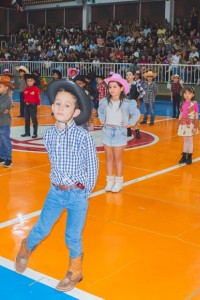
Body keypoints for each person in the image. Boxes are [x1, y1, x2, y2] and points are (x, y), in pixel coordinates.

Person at [14, 79, 99, 292]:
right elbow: (54, 159)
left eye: (67, 105)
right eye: (58, 104)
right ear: (52, 108)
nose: (61, 108)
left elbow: (93, 165)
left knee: (72, 235)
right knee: (42, 227)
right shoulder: (49, 135)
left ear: (76, 111)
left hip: (78, 194)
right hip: (56, 192)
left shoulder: (83, 136)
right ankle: (26, 247)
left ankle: (75, 271)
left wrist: (84, 191)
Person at [98, 73, 140, 193]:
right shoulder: (104, 102)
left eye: (115, 87)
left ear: (122, 88)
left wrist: (129, 123)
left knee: (117, 158)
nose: (112, 89)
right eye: (110, 87)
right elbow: (100, 111)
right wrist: (102, 120)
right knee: (108, 157)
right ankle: (109, 181)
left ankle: (119, 182)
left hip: (119, 133)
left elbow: (136, 114)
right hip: (107, 131)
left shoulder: (128, 102)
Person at [178, 87, 199, 165]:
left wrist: (195, 127)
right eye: (185, 93)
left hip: (191, 124)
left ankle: (189, 156)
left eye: (189, 93)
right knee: (185, 141)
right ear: (183, 94)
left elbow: (196, 116)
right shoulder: (182, 103)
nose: (187, 95)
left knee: (190, 141)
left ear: (193, 95)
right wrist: (179, 124)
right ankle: (184, 156)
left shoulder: (195, 103)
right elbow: (180, 114)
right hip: (183, 124)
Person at [0, 75, 15, 168]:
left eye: (0, 86)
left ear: (5, 88)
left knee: (5, 140)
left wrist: (3, 109)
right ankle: (2, 157)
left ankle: (8, 159)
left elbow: (1, 109)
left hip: (4, 123)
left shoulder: (7, 98)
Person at [126, 70, 145, 138]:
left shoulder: (136, 84)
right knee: (126, 116)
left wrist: (138, 97)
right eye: (127, 75)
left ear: (133, 76)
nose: (128, 76)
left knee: (134, 116)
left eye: (130, 74)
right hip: (125, 103)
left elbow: (143, 92)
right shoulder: (124, 84)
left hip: (133, 102)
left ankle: (137, 130)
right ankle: (128, 130)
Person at [21, 73, 41, 138]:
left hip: (33, 106)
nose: (29, 82)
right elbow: (25, 97)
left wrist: (38, 104)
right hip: (26, 106)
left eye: (31, 81)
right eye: (28, 81)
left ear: (34, 81)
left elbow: (38, 98)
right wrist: (26, 102)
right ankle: (27, 133)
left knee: (33, 119)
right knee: (26, 119)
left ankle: (35, 133)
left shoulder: (36, 89)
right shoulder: (25, 89)